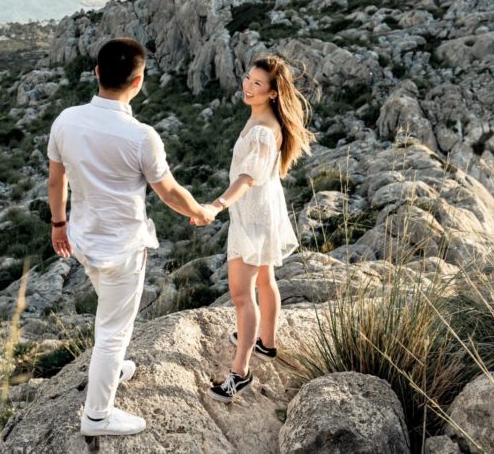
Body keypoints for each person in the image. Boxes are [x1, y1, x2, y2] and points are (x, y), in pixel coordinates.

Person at [48, 37, 219, 436]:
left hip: (83, 240)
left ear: (96, 74)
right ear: (139, 81)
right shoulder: (142, 136)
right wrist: (201, 211)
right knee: (113, 331)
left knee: (109, 320)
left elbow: (57, 180)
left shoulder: (66, 120)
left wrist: (58, 224)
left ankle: (111, 367)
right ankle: (97, 416)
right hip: (123, 248)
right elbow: (169, 192)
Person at [202, 55, 313, 402]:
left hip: (252, 215)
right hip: (263, 210)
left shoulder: (264, 132)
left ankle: (241, 373)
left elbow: (247, 179)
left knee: (240, 295)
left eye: (257, 84)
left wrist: (217, 204)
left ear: (273, 93)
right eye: (248, 79)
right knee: (265, 278)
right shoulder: (261, 120)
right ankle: (267, 342)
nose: (248, 87)